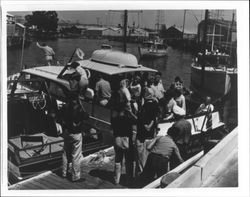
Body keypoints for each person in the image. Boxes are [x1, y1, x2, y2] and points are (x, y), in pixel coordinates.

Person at [61, 95, 89, 182]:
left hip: (67, 132)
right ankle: (75, 176)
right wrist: (82, 106)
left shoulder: (65, 107)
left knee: (65, 153)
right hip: (76, 134)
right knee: (75, 155)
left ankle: (64, 173)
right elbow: (86, 116)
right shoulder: (79, 108)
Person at [111, 108, 137, 185]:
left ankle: (116, 179)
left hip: (117, 139)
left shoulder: (114, 118)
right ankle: (129, 180)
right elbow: (136, 120)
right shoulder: (128, 118)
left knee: (118, 160)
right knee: (128, 160)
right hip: (126, 139)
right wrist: (131, 112)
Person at [136, 88, 160, 172]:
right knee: (149, 159)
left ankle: (142, 177)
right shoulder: (155, 105)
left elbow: (147, 127)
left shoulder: (143, 109)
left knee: (141, 160)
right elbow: (156, 119)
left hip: (142, 138)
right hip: (152, 137)